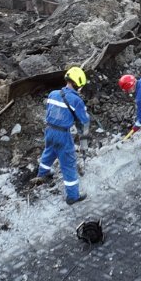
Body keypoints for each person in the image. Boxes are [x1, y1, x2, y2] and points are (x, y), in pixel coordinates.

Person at [36, 67, 91, 205]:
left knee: (49, 151)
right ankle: (73, 196)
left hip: (49, 130)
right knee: (68, 164)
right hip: (62, 134)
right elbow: (84, 122)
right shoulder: (76, 100)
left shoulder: (53, 94)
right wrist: (83, 140)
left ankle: (42, 174)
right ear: (78, 83)